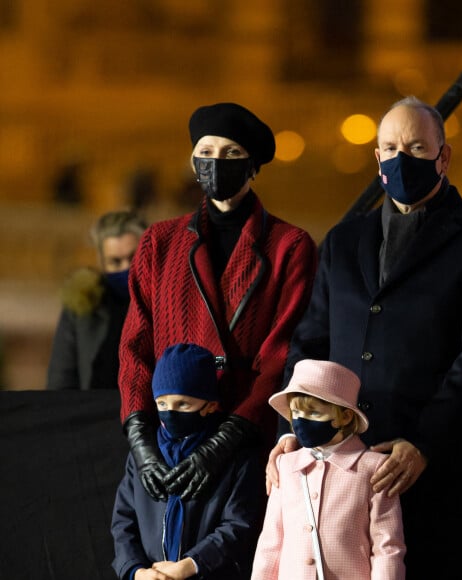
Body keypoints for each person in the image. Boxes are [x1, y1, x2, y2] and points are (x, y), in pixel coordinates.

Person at [267, 96, 462, 579]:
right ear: (377, 158)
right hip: (342, 477)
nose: (401, 157)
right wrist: (290, 431)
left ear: (442, 157)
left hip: (441, 473)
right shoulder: (343, 242)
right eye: (390, 147)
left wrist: (424, 443)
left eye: (415, 146)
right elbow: (311, 346)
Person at [118, 102, 318, 504]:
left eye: (231, 153)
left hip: (245, 441)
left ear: (253, 166)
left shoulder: (289, 246)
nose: (216, 163)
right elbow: (135, 347)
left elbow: (282, 354)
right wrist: (141, 440)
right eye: (206, 153)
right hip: (168, 439)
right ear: (193, 162)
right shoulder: (159, 242)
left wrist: (228, 438)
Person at [112, 343, 264, 580]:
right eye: (162, 404)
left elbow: (239, 524)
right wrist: (136, 570)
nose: (169, 412)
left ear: (210, 406)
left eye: (183, 404)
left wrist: (191, 565)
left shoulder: (237, 458)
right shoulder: (143, 456)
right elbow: (123, 521)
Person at [251, 359, 406, 580]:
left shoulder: (374, 468)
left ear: (345, 416)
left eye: (314, 414)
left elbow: (387, 548)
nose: (300, 422)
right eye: (295, 414)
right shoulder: (286, 466)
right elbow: (271, 541)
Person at [47, 209, 147, 390]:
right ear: (101, 261)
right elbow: (61, 376)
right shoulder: (83, 303)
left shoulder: (165, 301)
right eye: (115, 262)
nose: (126, 267)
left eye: (133, 258)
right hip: (96, 410)